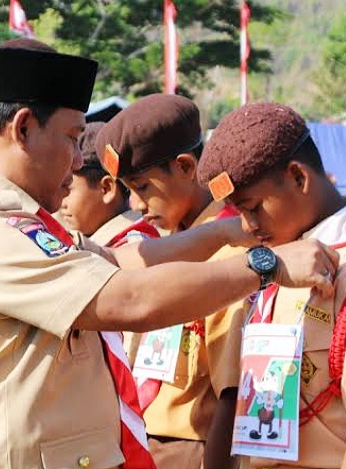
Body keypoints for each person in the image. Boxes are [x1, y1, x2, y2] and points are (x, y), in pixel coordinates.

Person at [0, 38, 339, 469]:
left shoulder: (16, 222)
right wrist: (266, 265)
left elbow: (119, 261)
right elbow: (128, 297)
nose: (74, 159)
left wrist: (228, 232)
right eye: (71, 138)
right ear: (23, 128)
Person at [196, 103, 346, 469]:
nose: (248, 225)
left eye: (254, 207)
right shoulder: (271, 262)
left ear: (298, 177)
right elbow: (232, 397)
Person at [95, 93, 246, 469]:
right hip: (139, 442)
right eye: (128, 190)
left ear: (185, 166)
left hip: (191, 449)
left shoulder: (230, 253)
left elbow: (231, 391)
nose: (135, 204)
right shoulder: (156, 248)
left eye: (143, 187)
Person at [60, 121, 158, 245]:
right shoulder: (97, 242)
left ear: (106, 188)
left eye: (68, 187)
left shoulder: (135, 246)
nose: (62, 202)